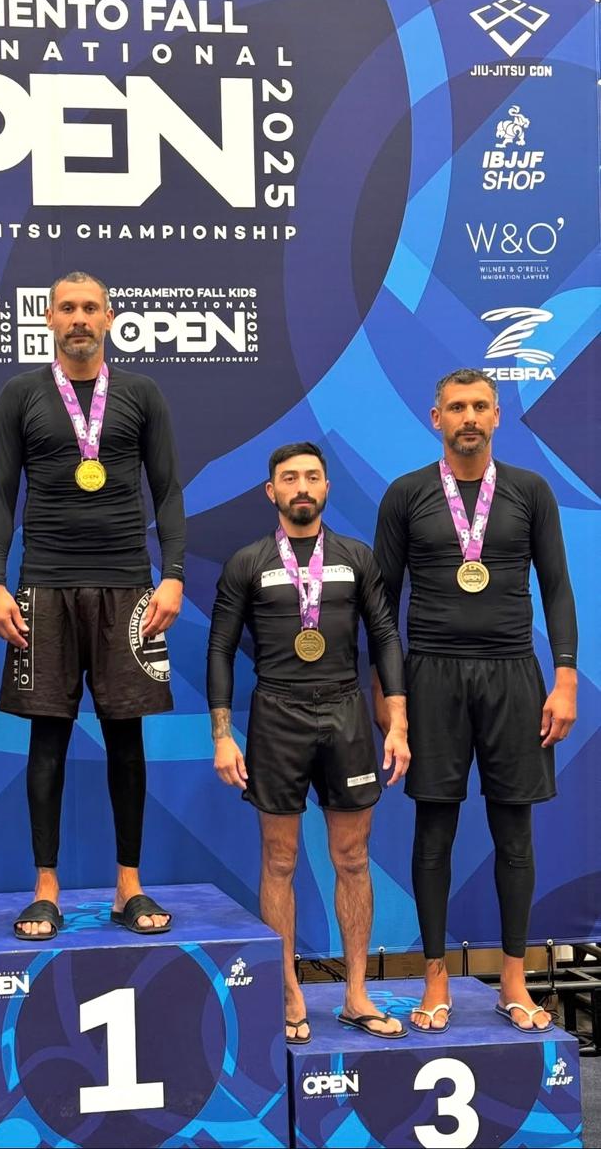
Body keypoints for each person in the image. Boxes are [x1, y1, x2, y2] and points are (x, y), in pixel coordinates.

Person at [373, 368, 577, 1034]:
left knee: (514, 830)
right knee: (434, 829)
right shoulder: (406, 495)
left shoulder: (530, 491)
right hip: (431, 676)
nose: (469, 417)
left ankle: (513, 982)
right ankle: (435, 980)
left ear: (496, 416)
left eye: (480, 406)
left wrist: (566, 677)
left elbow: (557, 586)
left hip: (513, 674)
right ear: (436, 417)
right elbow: (381, 605)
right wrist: (390, 696)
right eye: (457, 406)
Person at [0, 272, 185, 939]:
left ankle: (129, 885)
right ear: (48, 318)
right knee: (48, 738)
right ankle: (46, 889)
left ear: (109, 316)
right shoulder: (20, 394)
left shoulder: (142, 393)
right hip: (44, 586)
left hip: (129, 587)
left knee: (127, 737)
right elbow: (0, 496)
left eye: (90, 307)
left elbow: (168, 490)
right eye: (67, 308)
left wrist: (173, 576)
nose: (78, 318)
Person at [208, 442, 410, 1045]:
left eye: (312, 477)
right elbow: (220, 649)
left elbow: (386, 639)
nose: (302, 486)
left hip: (346, 713)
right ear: (271, 491)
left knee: (353, 857)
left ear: (327, 488)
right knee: (280, 859)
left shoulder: (356, 558)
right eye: (290, 477)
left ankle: (356, 994)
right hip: (277, 715)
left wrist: (398, 723)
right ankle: (288, 991)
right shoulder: (246, 562)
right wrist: (222, 736)